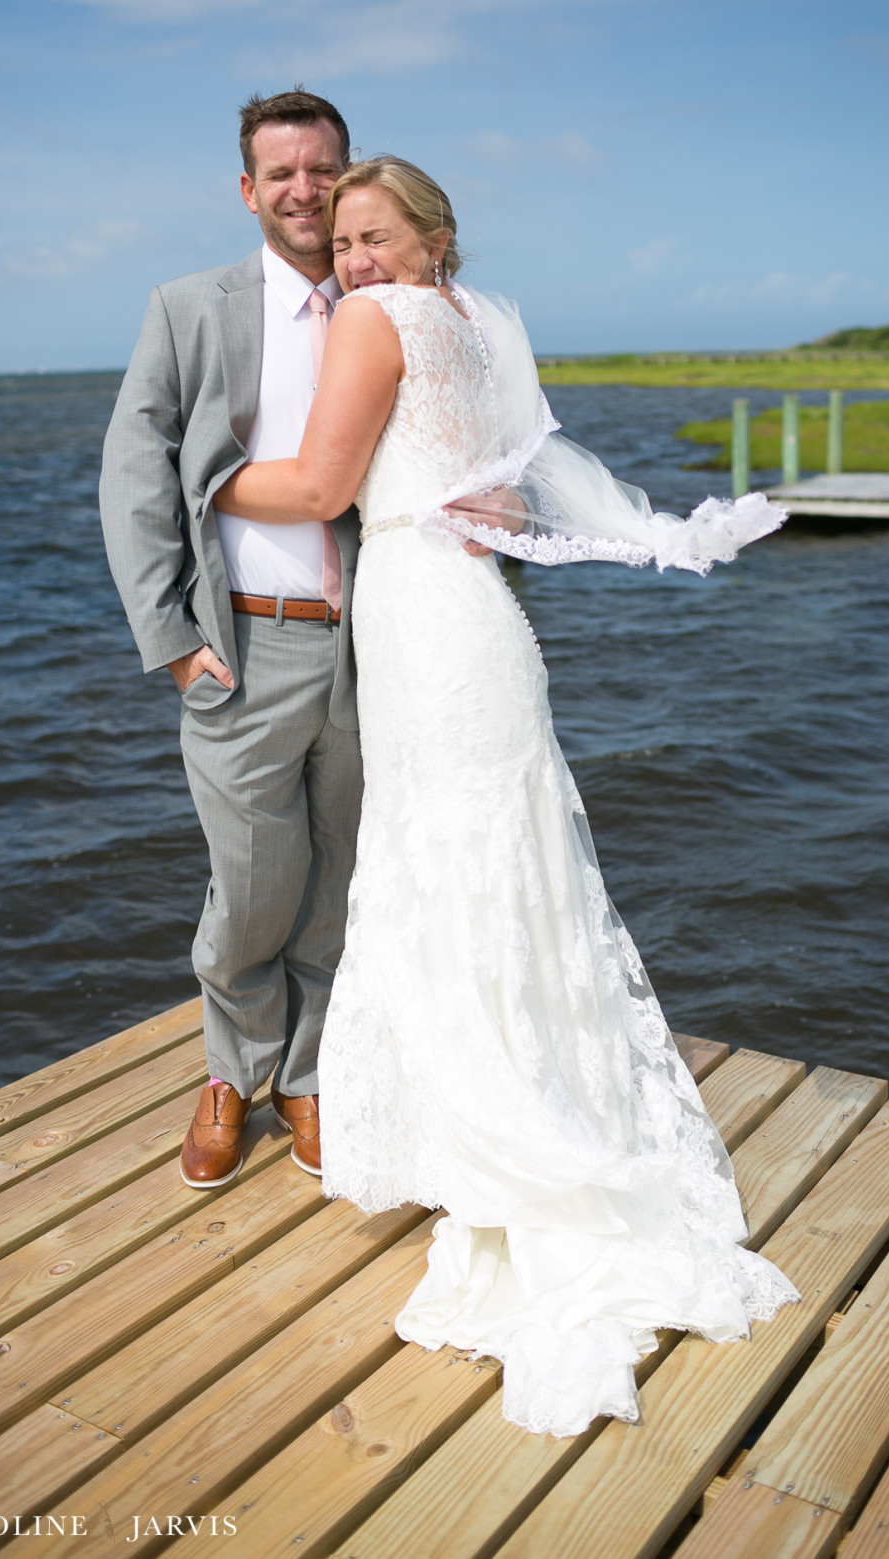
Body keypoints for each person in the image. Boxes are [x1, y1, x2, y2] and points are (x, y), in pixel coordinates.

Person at [211, 155, 800, 1437]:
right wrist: (473, 500)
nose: (354, 260)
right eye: (345, 243)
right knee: (502, 853)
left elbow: (316, 490)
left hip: (424, 611)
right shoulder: (484, 327)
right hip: (476, 616)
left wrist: (199, 475)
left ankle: (497, 1130)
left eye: (375, 235)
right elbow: (518, 469)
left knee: (444, 854)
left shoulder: (377, 321)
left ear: (432, 238)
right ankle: (529, 1089)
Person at [101, 91, 366, 1186]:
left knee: (340, 877)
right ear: (248, 188)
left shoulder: (385, 297)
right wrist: (169, 639)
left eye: (322, 171)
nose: (303, 191)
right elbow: (134, 475)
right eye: (282, 173)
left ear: (346, 178)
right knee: (253, 878)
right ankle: (228, 1069)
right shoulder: (186, 307)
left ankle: (305, 1076)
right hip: (241, 649)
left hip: (369, 651)